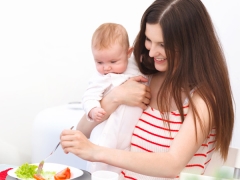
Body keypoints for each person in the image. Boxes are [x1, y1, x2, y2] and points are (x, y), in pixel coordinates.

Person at [60, 0, 234, 179]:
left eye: (163, 45)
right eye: (149, 40)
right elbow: (83, 130)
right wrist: (115, 97)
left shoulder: (204, 98)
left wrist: (96, 152)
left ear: (190, 45)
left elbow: (172, 164)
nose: (151, 53)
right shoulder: (146, 77)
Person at [81, 22, 146, 173]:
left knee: (124, 167)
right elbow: (89, 96)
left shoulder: (134, 66)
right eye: (99, 62)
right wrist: (93, 110)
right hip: (106, 133)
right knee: (100, 167)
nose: (106, 67)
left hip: (128, 134)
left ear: (128, 53)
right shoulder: (101, 77)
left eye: (113, 62)